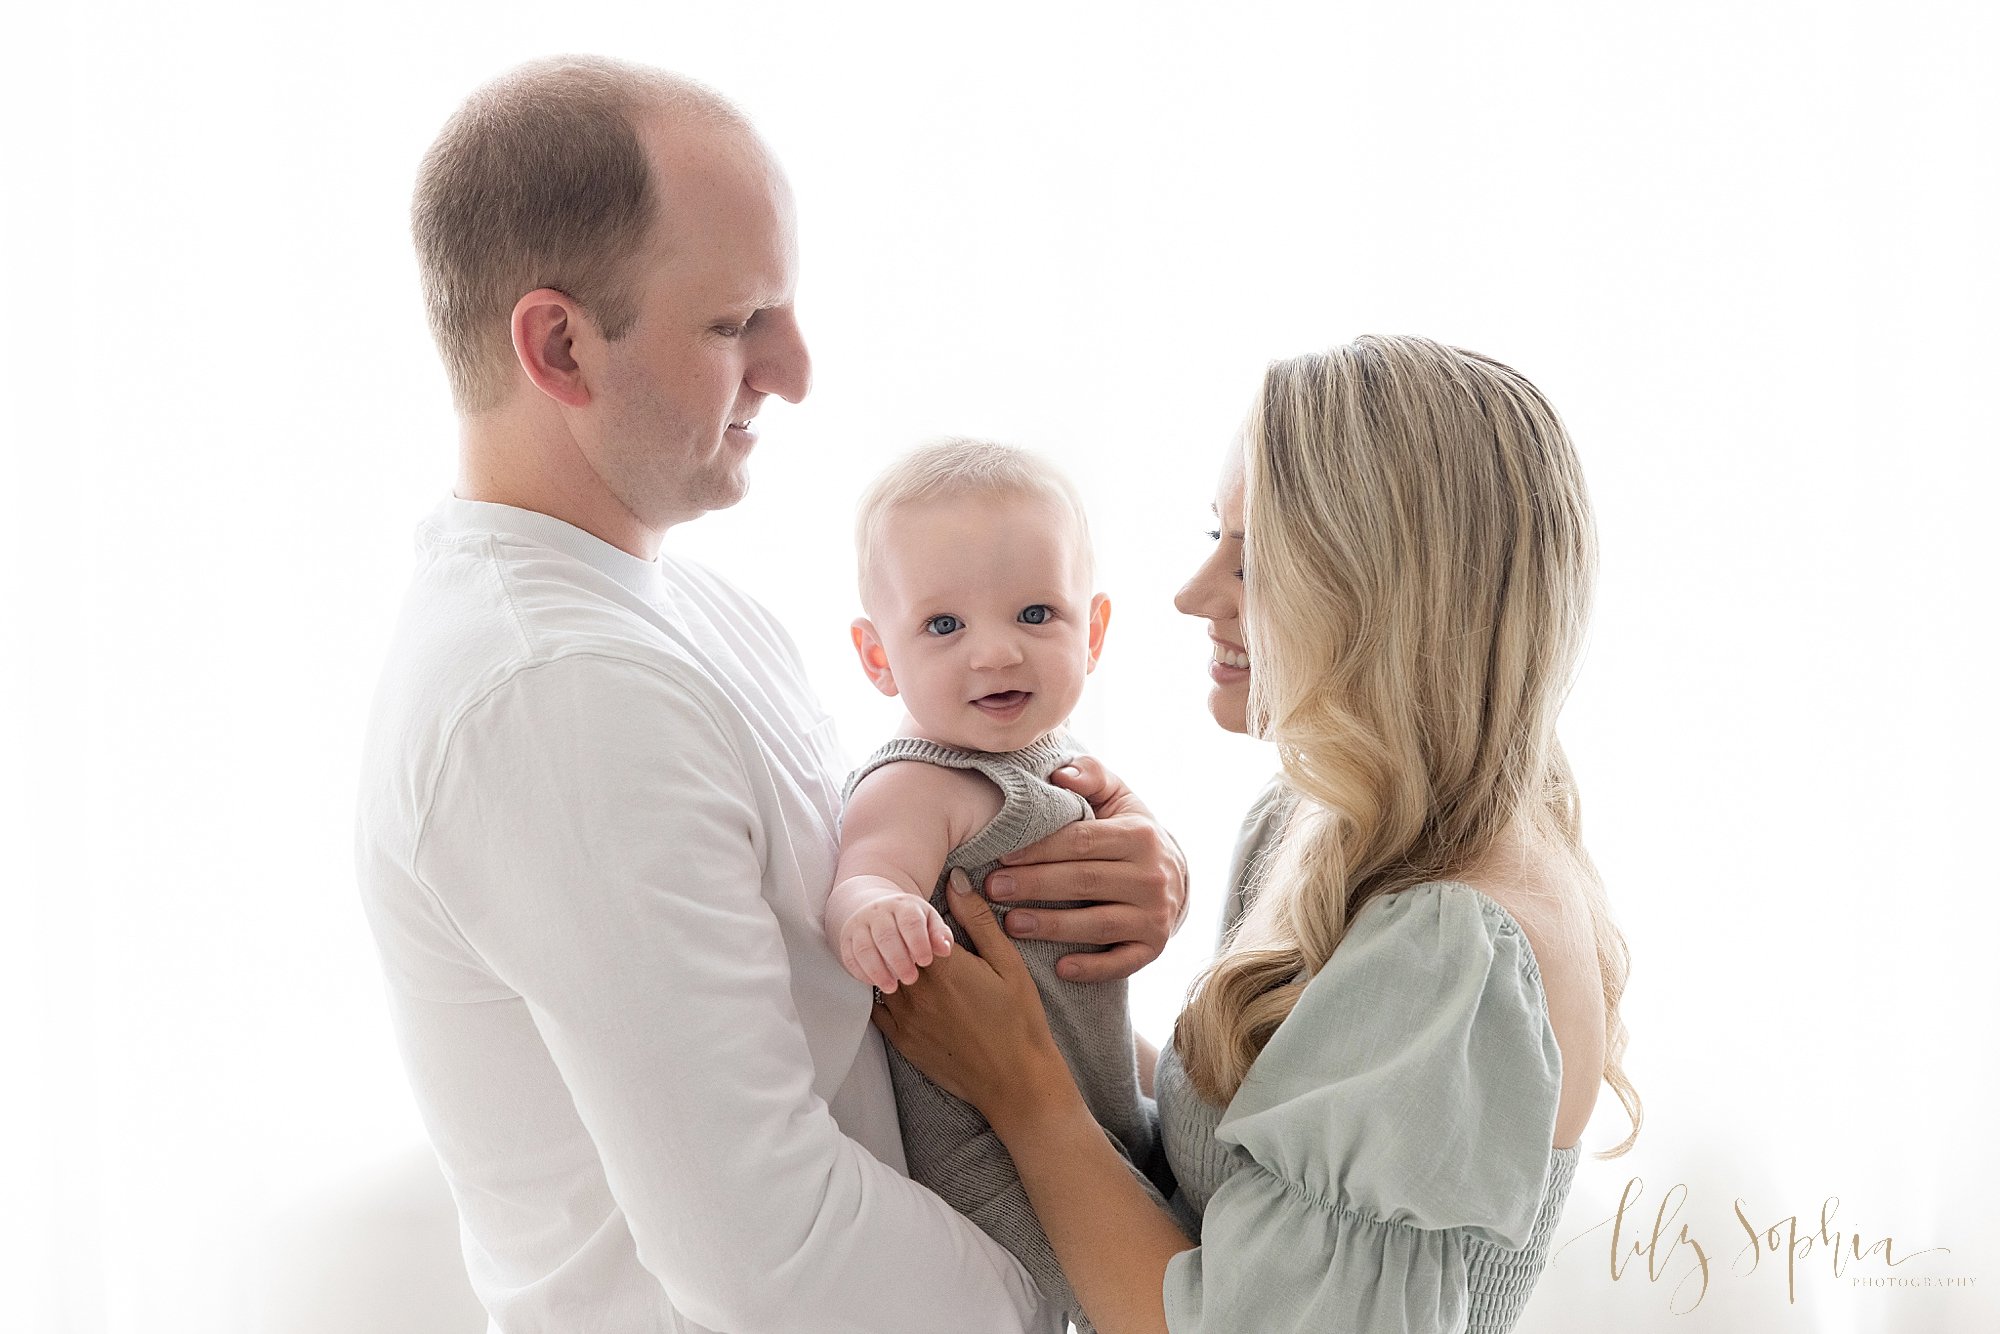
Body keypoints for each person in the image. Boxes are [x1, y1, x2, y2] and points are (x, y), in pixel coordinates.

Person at [353, 55, 1187, 1334]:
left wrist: (1072, 850)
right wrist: (1072, 1268)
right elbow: (774, 1263)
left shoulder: (674, 611)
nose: (793, 369)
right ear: (559, 345)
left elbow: (863, 913)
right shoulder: (558, 693)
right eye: (737, 321)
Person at [871, 335, 1643, 1333]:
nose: (1192, 594)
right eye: (1212, 536)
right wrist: (1046, 986)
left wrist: (1022, 1087)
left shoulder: (1453, 948)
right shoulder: (1318, 821)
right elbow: (1250, 1172)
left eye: (1254, 558)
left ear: (1387, 589)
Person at [828, 440, 1161, 1334]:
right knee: (1077, 1299)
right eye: (944, 626)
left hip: (1094, 1102)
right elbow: (863, 872)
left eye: (1034, 613)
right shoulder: (916, 783)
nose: (995, 653)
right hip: (986, 1148)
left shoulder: (1058, 755)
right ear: (877, 658)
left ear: (1091, 631)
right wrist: (879, 911)